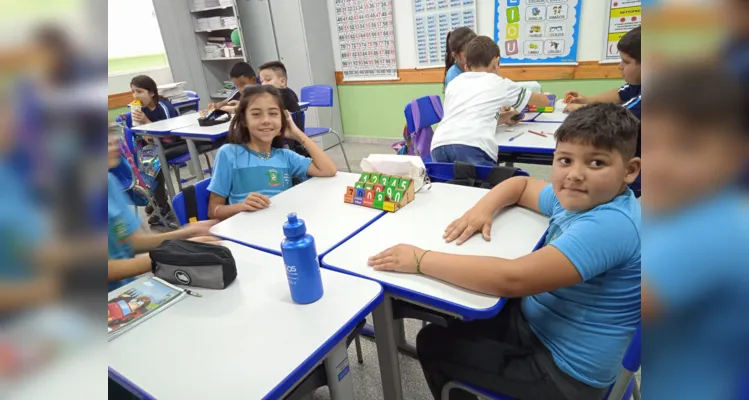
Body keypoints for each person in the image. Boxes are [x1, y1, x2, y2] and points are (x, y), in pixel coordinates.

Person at [370, 103, 642, 400]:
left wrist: (420, 260)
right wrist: (482, 209)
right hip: (544, 323)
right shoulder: (583, 198)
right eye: (565, 160)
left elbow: (513, 279)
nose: (574, 175)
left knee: (432, 342)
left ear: (629, 171)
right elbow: (521, 184)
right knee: (462, 309)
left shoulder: (611, 224)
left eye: (596, 164)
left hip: (564, 372)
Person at [641, 64, 749, 400]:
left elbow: (624, 302)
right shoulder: (684, 206)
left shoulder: (714, 232)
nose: (659, 163)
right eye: (651, 143)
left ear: (736, 155)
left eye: (687, 146)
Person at [108, 132, 219, 292]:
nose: (114, 140)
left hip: (126, 293)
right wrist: (174, 254)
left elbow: (130, 243)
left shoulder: (109, 183)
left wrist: (184, 234)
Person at [207, 85, 336, 220]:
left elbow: (328, 170)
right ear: (244, 120)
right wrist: (241, 206)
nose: (266, 121)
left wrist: (298, 134)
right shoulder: (229, 154)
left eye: (273, 114)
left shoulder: (286, 156)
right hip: (245, 231)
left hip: (278, 227)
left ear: (282, 119)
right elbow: (214, 210)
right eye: (256, 114)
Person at [430, 36, 551, 166]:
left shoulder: (454, 84)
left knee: (450, 184)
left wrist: (502, 119)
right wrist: (551, 98)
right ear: (496, 62)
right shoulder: (499, 83)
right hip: (471, 146)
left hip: (438, 146)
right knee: (492, 185)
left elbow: (464, 117)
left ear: (466, 67)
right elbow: (543, 102)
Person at [129, 75, 182, 227]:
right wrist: (138, 124)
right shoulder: (142, 109)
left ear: (151, 93)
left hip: (173, 143)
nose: (135, 96)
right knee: (140, 157)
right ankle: (155, 196)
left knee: (151, 159)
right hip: (155, 145)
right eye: (133, 92)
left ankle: (162, 205)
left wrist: (146, 121)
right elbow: (145, 137)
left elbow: (168, 135)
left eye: (139, 92)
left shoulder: (164, 108)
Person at [564, 26, 641, 120]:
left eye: (626, 62)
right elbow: (619, 95)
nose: (620, 66)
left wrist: (583, 110)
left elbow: (621, 117)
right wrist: (586, 100)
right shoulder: (638, 83)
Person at [258, 60, 308, 158]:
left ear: (282, 82)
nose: (263, 84)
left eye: (268, 80)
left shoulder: (276, 97)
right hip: (295, 145)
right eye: (261, 81)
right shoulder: (289, 93)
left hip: (283, 143)